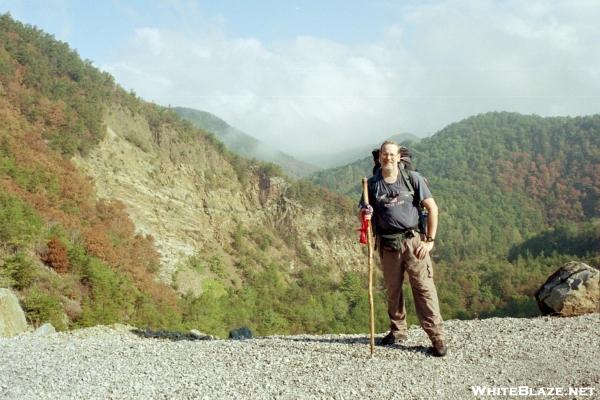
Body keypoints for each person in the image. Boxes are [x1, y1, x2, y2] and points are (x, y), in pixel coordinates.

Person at [359, 140, 446, 357]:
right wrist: (365, 213)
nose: (388, 157)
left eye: (391, 154)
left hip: (413, 241)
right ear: (379, 158)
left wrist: (430, 240)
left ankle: (437, 338)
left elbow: (432, 208)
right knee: (393, 290)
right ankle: (398, 331)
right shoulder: (371, 185)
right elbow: (363, 212)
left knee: (424, 289)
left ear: (399, 157)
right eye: (384, 154)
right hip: (388, 244)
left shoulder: (412, 179)